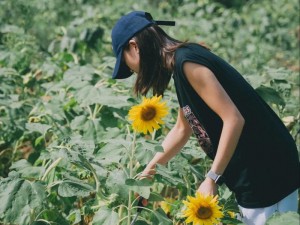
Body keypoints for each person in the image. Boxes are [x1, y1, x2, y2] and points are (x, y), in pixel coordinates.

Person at [111, 11, 300, 225]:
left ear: (134, 46)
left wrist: (212, 178)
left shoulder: (187, 63)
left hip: (265, 169)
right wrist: (148, 172)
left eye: (125, 62)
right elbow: (182, 129)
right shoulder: (181, 65)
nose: (131, 70)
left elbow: (233, 119)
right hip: (254, 167)